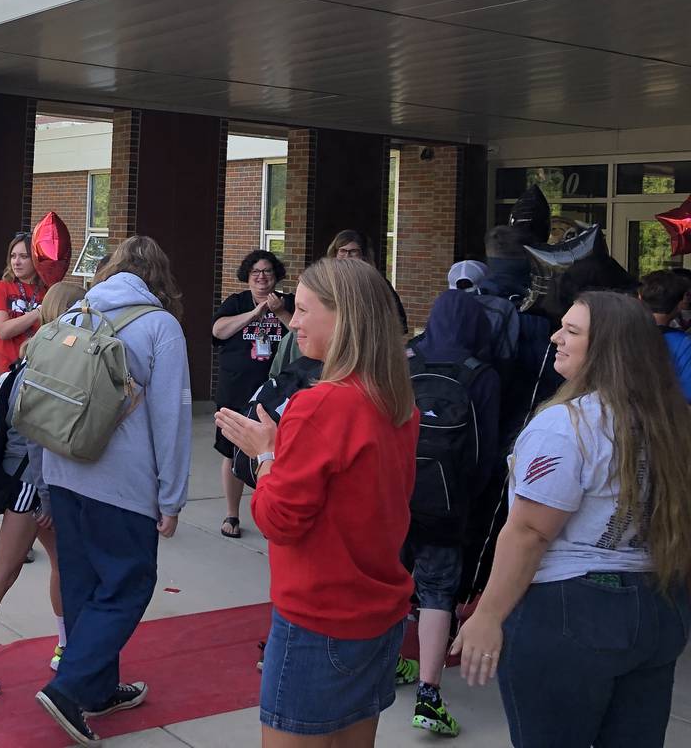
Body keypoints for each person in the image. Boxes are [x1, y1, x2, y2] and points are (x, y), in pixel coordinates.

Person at [453, 291, 691, 747]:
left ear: (606, 349)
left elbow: (529, 531)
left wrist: (487, 614)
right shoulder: (671, 420)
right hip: (660, 607)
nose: (555, 337)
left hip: (572, 610)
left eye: (572, 331)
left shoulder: (567, 424)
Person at [216, 257, 419, 747]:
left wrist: (266, 455)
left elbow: (278, 520)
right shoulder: (396, 399)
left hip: (318, 617)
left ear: (344, 319)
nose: (293, 320)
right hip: (378, 612)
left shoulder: (320, 403)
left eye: (304, 310)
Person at [35, 235, 192, 746]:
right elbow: (171, 420)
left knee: (83, 584)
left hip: (63, 471)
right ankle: (71, 687)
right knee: (128, 584)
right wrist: (171, 497)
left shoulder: (75, 314)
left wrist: (40, 478)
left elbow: (41, 397)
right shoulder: (160, 327)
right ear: (159, 277)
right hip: (120, 484)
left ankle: (97, 690)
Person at [0, 279, 85, 698]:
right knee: (4, 572)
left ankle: (67, 645)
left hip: (26, 480)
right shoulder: (48, 366)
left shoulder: (29, 359)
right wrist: (48, 497)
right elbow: (38, 440)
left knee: (64, 565)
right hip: (31, 484)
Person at [398, 288, 503, 738]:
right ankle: (429, 694)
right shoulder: (481, 373)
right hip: (447, 500)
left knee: (392, 580)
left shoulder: (406, 361)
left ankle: (388, 663)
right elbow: (488, 452)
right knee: (438, 589)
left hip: (397, 495)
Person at [212, 249, 293, 539]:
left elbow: (299, 333)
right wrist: (255, 313)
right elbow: (219, 331)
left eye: (267, 272)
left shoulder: (290, 303)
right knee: (231, 449)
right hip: (237, 389)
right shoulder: (236, 303)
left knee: (278, 452)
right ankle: (232, 514)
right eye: (255, 272)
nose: (261, 277)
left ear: (276, 276)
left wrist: (280, 312)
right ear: (247, 276)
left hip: (277, 392)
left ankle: (273, 514)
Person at [328, 228, 407, 332]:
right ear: (335, 254)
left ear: (363, 255)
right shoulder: (326, 282)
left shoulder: (377, 282)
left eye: (353, 251)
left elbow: (399, 320)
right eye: (342, 251)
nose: (347, 256)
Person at [0, 232, 46, 374]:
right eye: (13, 256)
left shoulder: (49, 292)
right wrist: (38, 313)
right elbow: (3, 331)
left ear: (36, 259)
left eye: (24, 256)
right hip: (4, 370)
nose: (16, 262)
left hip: (36, 369)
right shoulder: (1, 287)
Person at [639, 270, 691, 401]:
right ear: (679, 305)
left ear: (639, 298)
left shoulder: (622, 334)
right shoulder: (683, 343)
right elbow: (688, 395)